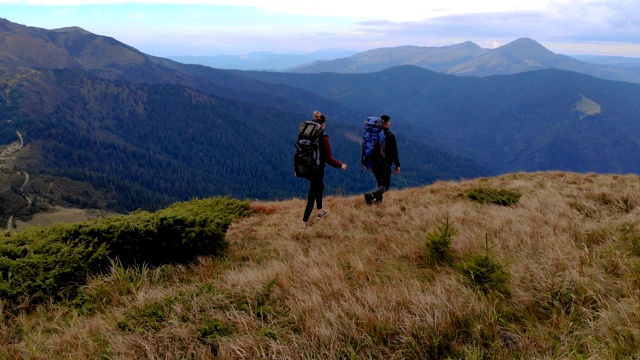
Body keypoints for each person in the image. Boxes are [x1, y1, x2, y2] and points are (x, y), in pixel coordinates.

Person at [299, 112, 347, 229]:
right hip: (317, 170)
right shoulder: (323, 138)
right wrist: (340, 165)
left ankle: (320, 212)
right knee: (312, 195)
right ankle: (304, 224)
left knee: (319, 187)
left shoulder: (307, 135)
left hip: (307, 168)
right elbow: (328, 158)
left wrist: (297, 168)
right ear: (323, 124)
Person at [364, 114, 400, 205]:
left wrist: (366, 162)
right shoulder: (390, 136)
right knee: (385, 185)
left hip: (373, 163)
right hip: (384, 164)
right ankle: (371, 195)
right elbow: (394, 152)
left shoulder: (372, 134)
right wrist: (397, 164)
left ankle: (378, 202)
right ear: (387, 124)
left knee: (379, 182)